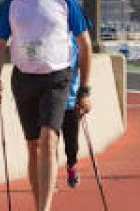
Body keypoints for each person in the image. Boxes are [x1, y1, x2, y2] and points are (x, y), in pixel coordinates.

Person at [0, 0, 92, 211]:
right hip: (24, 79)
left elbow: (85, 45)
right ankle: (38, 205)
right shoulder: (13, 2)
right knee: (33, 146)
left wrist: (85, 89)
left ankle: (45, 208)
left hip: (57, 77)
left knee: (49, 140)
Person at [61, 42, 82, 188]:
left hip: (71, 101)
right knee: (49, 141)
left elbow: (84, 68)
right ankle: (49, 175)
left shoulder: (76, 43)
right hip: (50, 101)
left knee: (72, 142)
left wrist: (83, 95)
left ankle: (71, 166)